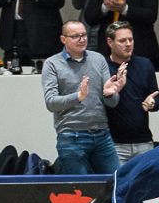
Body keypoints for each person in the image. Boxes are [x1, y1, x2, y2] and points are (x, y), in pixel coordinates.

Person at [41, 20, 125, 174]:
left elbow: (112, 103)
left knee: (117, 181)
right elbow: (51, 103)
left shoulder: (98, 59)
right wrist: (78, 97)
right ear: (63, 39)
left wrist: (110, 93)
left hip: (102, 134)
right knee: (80, 190)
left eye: (84, 35)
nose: (82, 39)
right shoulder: (52, 64)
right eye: (75, 36)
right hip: (71, 137)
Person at [104, 21, 159, 163]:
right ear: (110, 42)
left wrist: (152, 103)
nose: (128, 44)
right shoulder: (103, 66)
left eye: (131, 39)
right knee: (118, 184)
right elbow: (100, 104)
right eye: (122, 41)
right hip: (114, 143)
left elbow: (157, 99)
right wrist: (115, 90)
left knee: (146, 184)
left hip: (143, 141)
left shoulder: (145, 64)